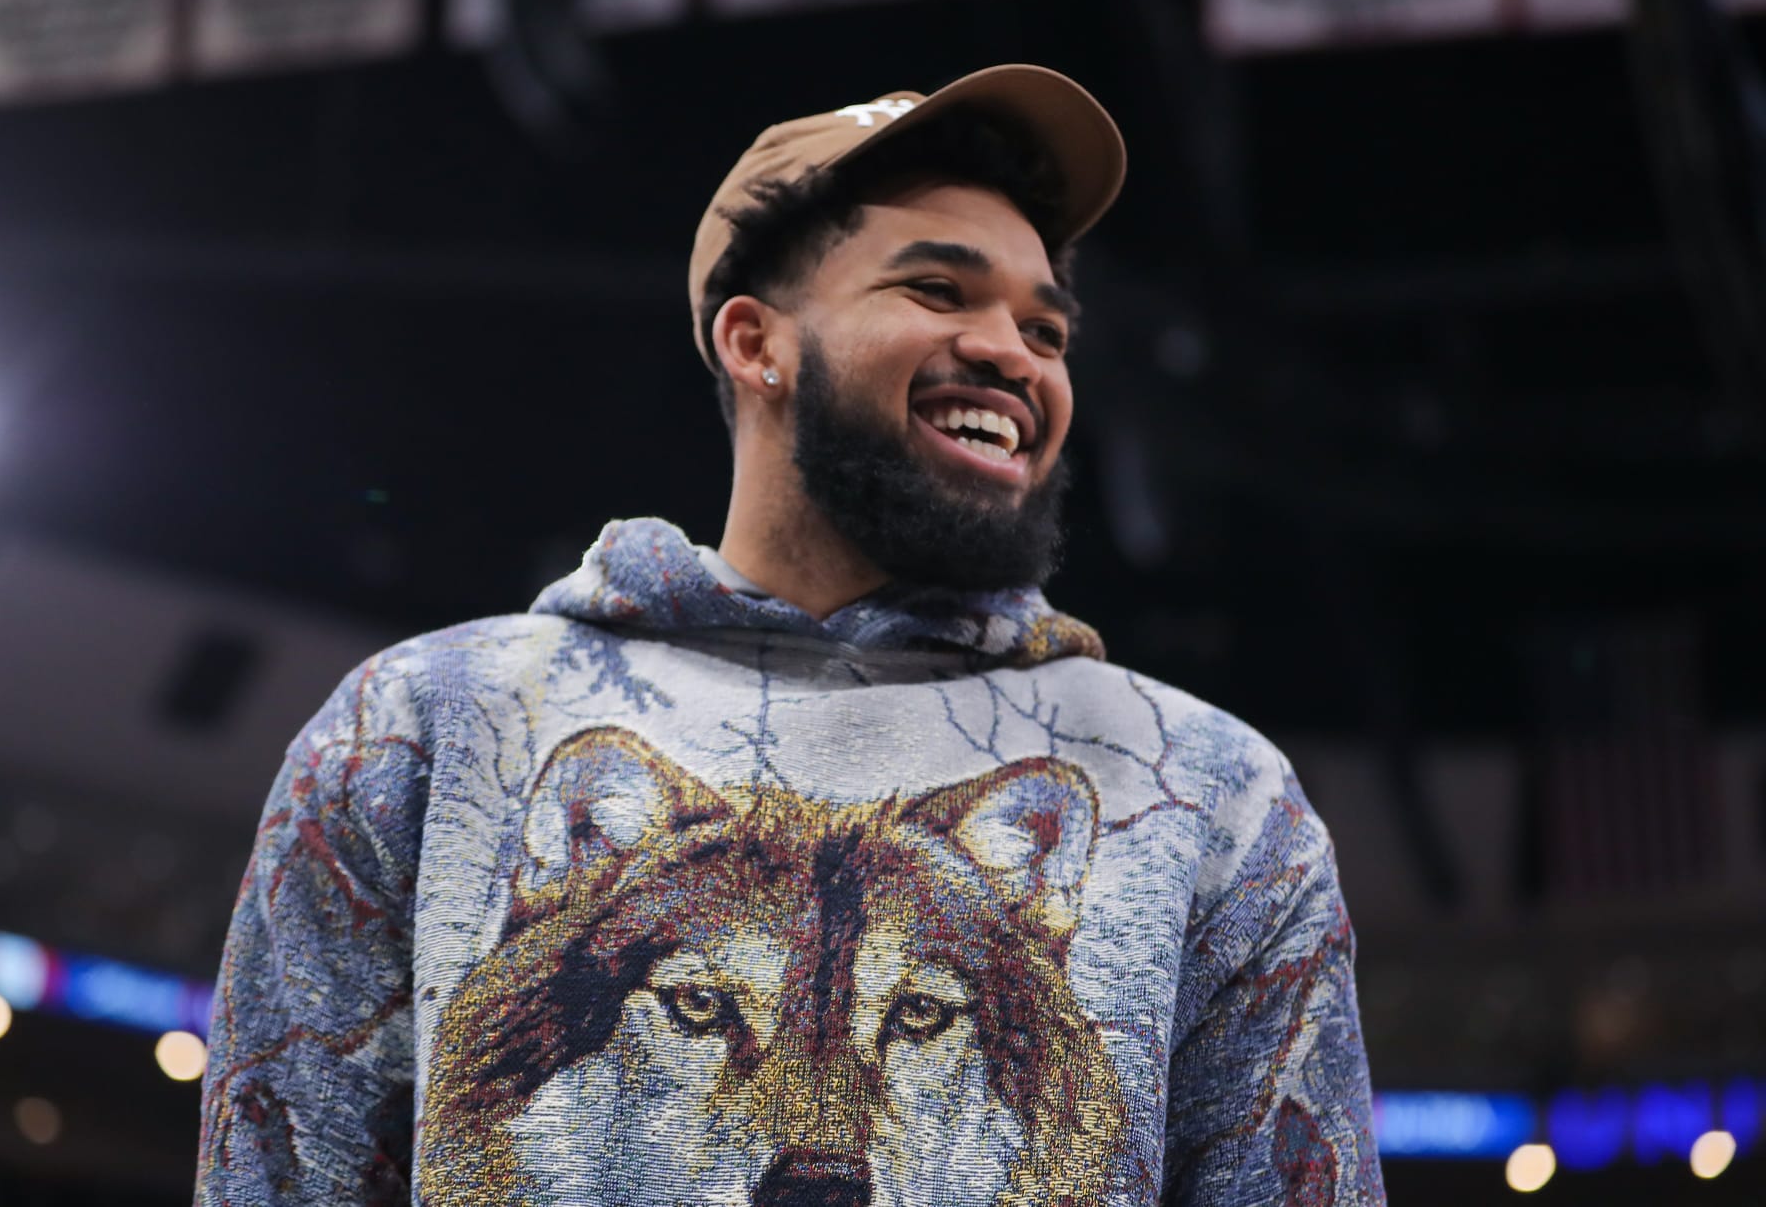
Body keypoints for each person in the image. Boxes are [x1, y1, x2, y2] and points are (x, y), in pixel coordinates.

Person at [197, 64, 1384, 1207]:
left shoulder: (1213, 793)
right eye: (938, 290)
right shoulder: (425, 726)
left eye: (1047, 328)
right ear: (756, 343)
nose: (1015, 354)